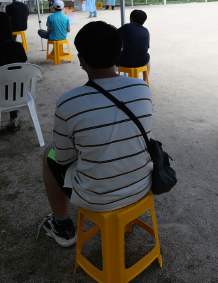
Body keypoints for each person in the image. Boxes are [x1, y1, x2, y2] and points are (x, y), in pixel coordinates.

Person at [37, 21, 153, 247]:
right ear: (119, 53)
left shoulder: (69, 102)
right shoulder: (142, 89)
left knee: (48, 156)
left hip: (97, 198)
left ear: (81, 59)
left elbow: (63, 159)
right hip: (143, 185)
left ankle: (63, 227)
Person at [117, 9, 150, 74]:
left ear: (131, 19)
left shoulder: (126, 27)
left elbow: (114, 35)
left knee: (112, 57)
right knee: (148, 60)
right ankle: (145, 81)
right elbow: (146, 47)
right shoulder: (146, 30)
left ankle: (113, 79)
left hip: (125, 61)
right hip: (142, 61)